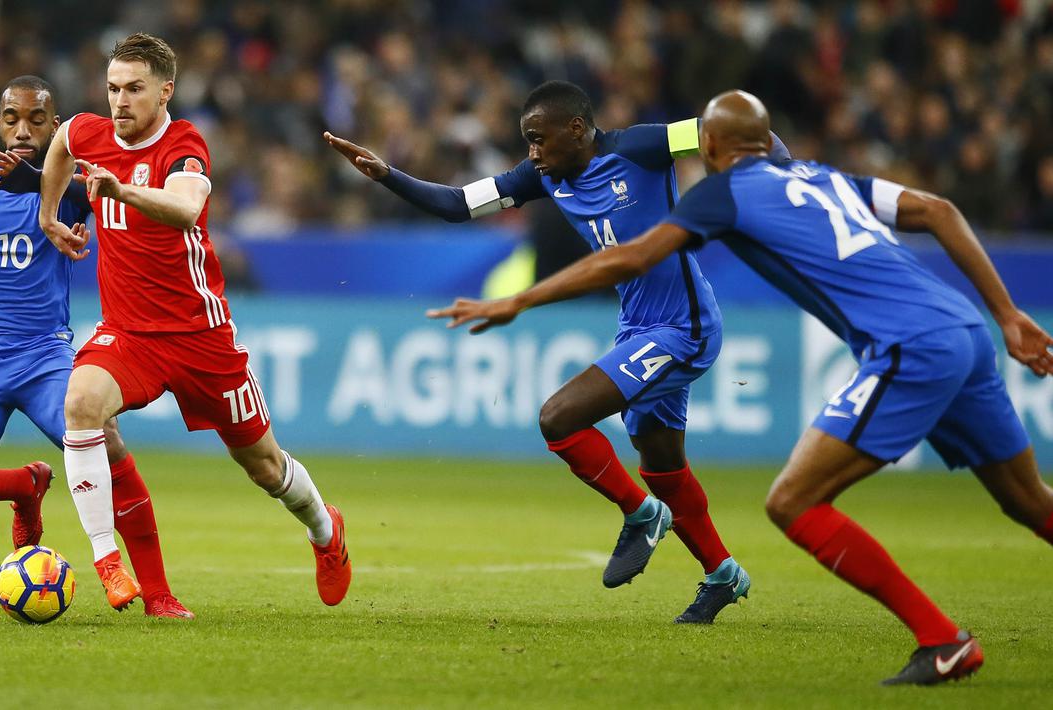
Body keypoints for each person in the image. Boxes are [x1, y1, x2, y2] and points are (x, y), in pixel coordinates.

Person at [429, 90, 1053, 686]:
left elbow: (628, 258)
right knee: (1029, 503)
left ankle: (943, 641)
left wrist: (520, 299)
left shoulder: (724, 195)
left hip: (910, 350)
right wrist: (1007, 315)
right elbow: (938, 210)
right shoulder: (822, 176)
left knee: (793, 503)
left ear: (708, 144)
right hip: (967, 330)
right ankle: (715, 566)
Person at [326, 81, 789, 623]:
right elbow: (457, 204)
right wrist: (387, 175)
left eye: (538, 139)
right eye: (527, 142)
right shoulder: (540, 178)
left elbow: (738, 133)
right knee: (663, 466)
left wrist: (782, 170)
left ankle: (640, 514)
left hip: (684, 327)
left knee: (559, 417)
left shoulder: (640, 146)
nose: (532, 153)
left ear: (576, 129)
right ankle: (723, 575)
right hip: (637, 327)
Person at [34, 33, 351, 609]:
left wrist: (121, 189)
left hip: (201, 339)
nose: (120, 101)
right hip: (129, 334)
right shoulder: (90, 132)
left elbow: (185, 209)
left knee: (264, 467)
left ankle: (326, 531)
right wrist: (49, 213)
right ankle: (108, 562)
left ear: (165, 90)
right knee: (80, 404)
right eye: (112, 89)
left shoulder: (185, 145)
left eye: (134, 89)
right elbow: (60, 142)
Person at [0, 76, 192, 618]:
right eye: (12, 119)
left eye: (37, 121)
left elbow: (130, 207)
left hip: (43, 355)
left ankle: (158, 594)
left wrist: (45, 184)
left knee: (106, 445)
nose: (23, 130)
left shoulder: (68, 183)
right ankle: (25, 485)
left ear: (55, 124)